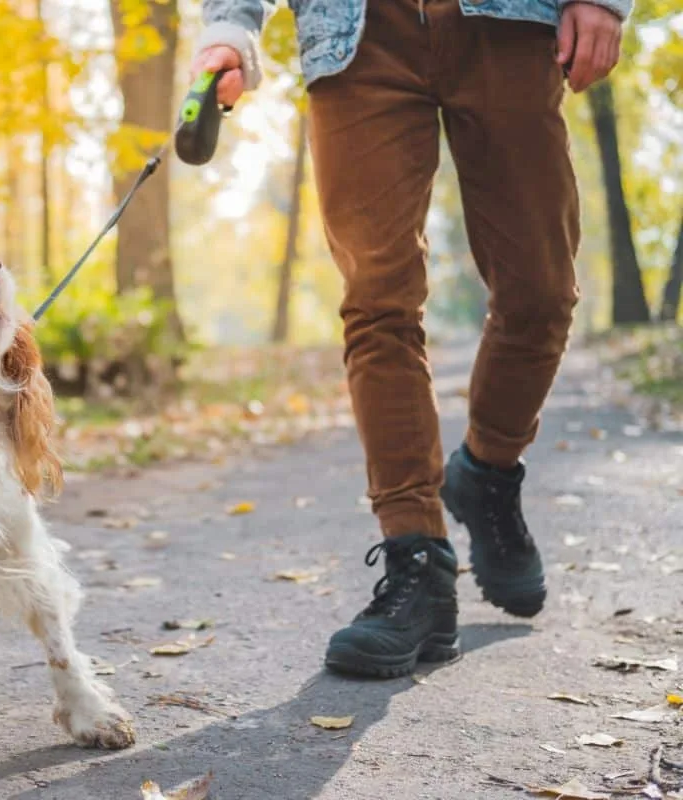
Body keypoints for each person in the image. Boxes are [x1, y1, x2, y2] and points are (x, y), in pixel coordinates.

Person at [191, 0, 628, 678]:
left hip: (507, 24)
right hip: (355, 37)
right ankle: (416, 560)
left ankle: (486, 471)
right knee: (378, 302)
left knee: (541, 293)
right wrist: (230, 25)